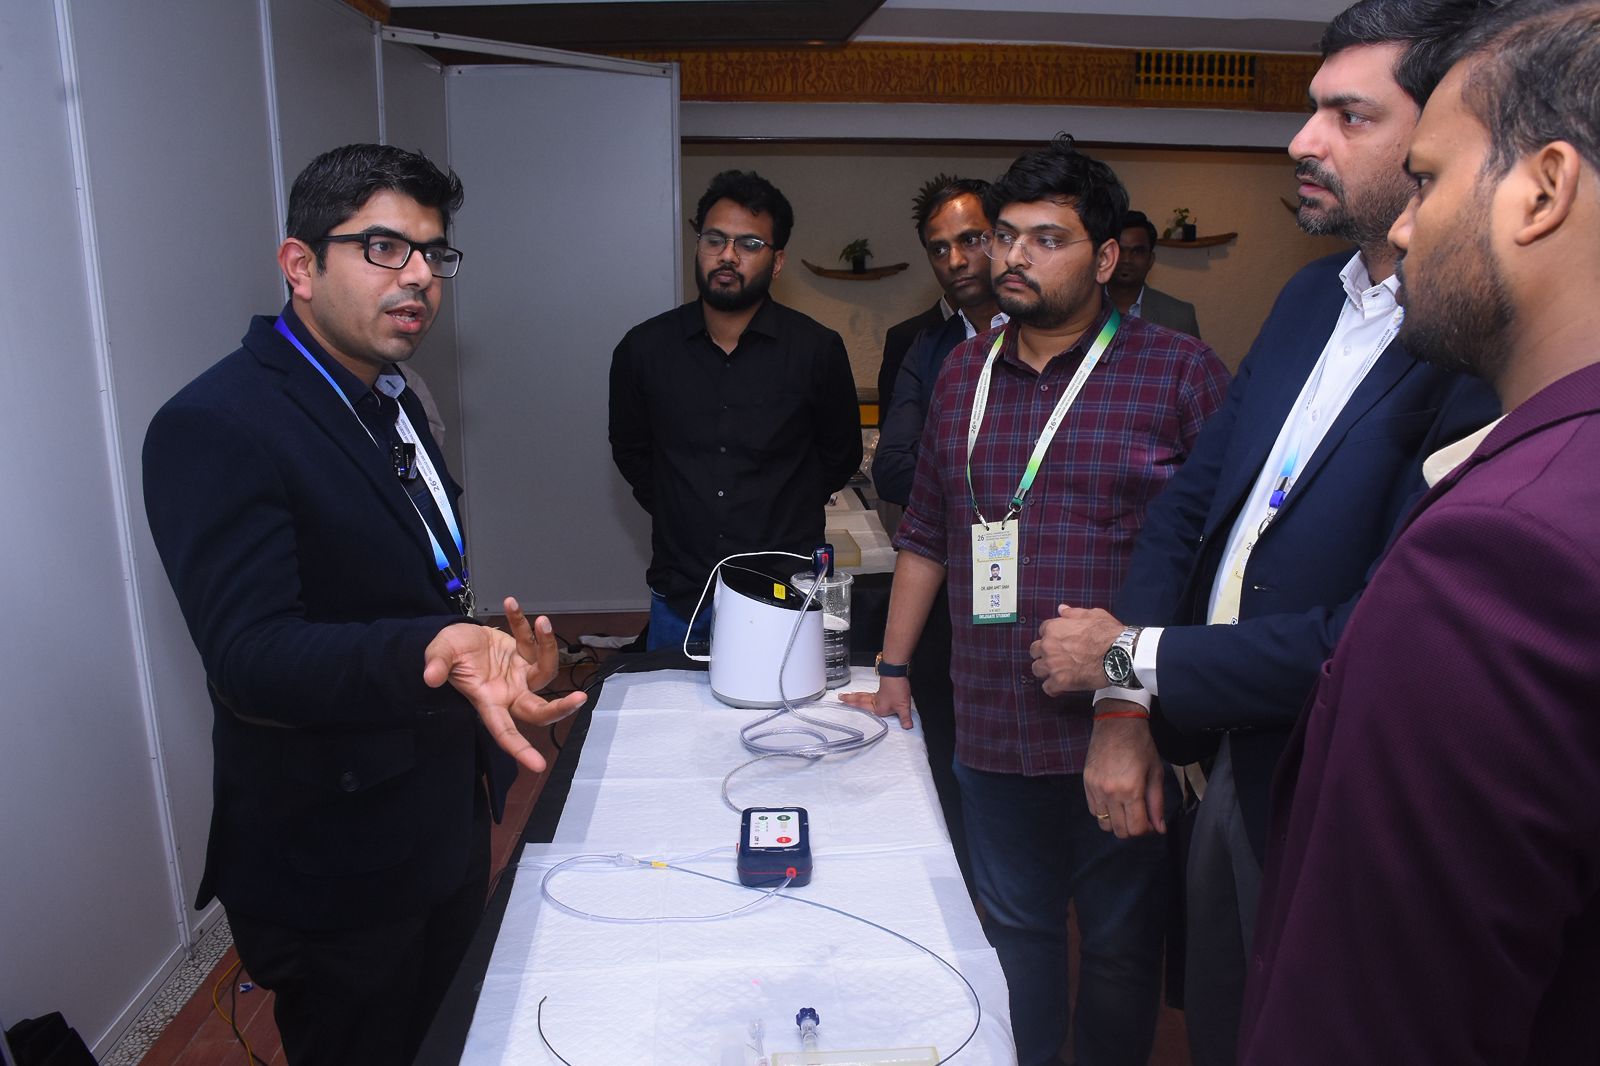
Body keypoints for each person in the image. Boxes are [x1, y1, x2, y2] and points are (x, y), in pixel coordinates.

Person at [1025, 3, 1499, 1062]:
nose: (1301, 140)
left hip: (1343, 783)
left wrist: (1123, 659)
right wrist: (1123, 707)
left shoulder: (1467, 340)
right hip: (1232, 759)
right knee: (1224, 1023)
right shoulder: (1307, 299)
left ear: (1442, 138)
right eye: (1310, 109)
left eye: (1348, 116)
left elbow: (1372, 630)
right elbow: (1190, 510)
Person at [141, 144, 587, 1065]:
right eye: (384, 247)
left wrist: (485, 656)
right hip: (335, 860)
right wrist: (436, 649)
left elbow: (402, 581)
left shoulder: (390, 396)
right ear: (300, 265)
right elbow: (250, 657)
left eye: (432, 252)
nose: (419, 275)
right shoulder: (217, 424)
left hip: (436, 819)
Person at [1242, 5, 1600, 1060]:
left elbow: (1380, 1017)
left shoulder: (1505, 557)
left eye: (1430, 180)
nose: (1401, 229)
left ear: (1542, 190)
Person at [846, 135, 1230, 1066]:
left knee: (1120, 945)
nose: (1014, 257)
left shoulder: (1178, 372)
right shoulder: (962, 371)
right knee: (1014, 931)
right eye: (1007, 236)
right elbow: (929, 531)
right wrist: (893, 668)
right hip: (989, 719)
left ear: (1104, 258)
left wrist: (1151, 702)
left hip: (1118, 726)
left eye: (1047, 239)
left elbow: (1219, 558)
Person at [609, 170, 862, 651]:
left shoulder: (816, 350)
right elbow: (631, 451)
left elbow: (840, 455)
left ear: (777, 260)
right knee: (668, 701)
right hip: (682, 592)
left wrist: (779, 506)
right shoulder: (643, 350)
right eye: (715, 239)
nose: (727, 255)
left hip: (785, 592)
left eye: (749, 243)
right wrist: (681, 507)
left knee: (788, 701)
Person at [871, 175, 1005, 888]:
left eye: (971, 240)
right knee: (948, 758)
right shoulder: (928, 349)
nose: (955, 260)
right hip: (950, 585)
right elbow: (894, 468)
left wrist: (950, 469)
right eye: (939, 248)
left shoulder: (1054, 335)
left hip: (1053, 592)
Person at [1106, 210, 1201, 338]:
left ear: (1150, 260)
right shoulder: (1082, 308)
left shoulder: (1180, 317)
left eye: (1137, 251)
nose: (1126, 259)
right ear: (1104, 256)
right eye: (1119, 250)